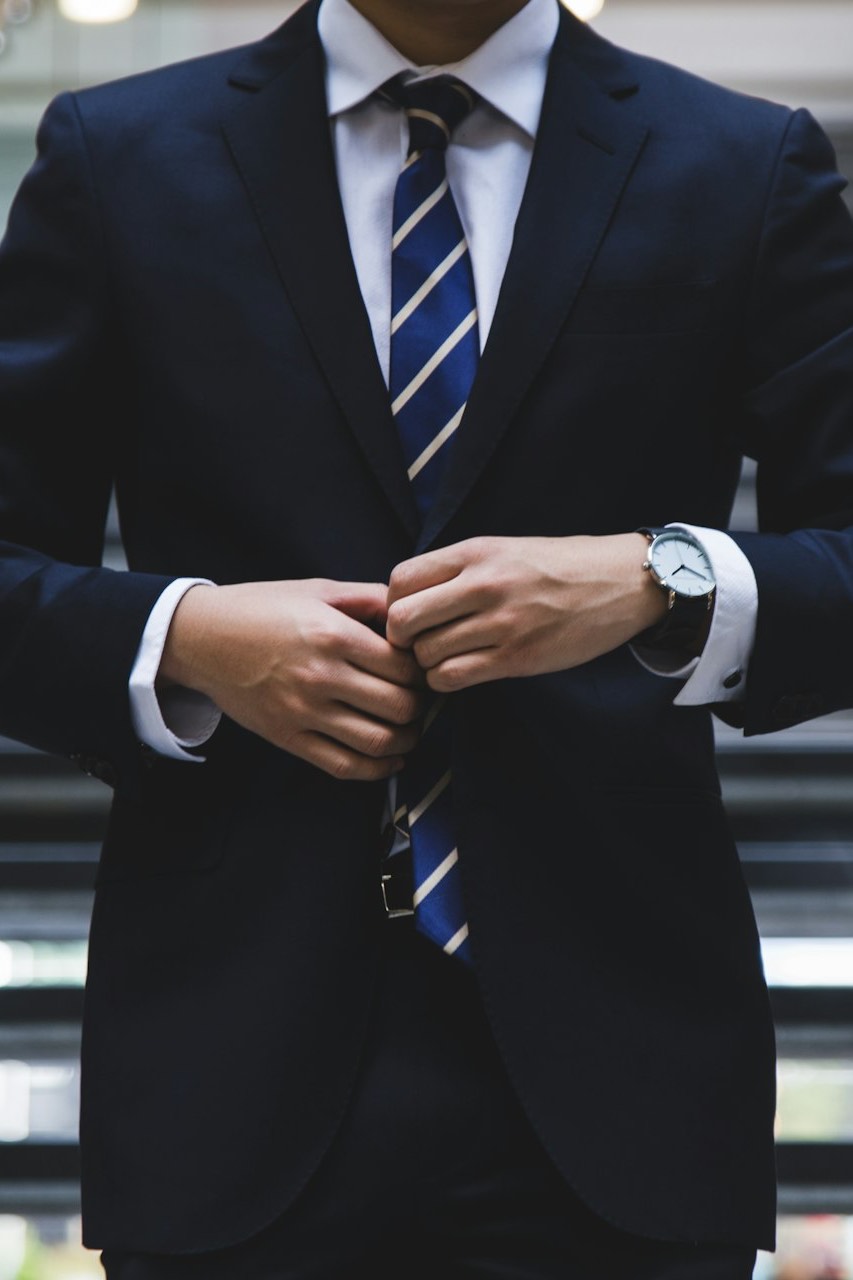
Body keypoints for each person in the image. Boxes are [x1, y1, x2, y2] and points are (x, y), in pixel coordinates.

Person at [0, 0, 851, 1273]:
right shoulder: (116, 153)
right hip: (228, 1071)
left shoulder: (741, 159)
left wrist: (662, 574)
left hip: (625, 1076)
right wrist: (182, 633)